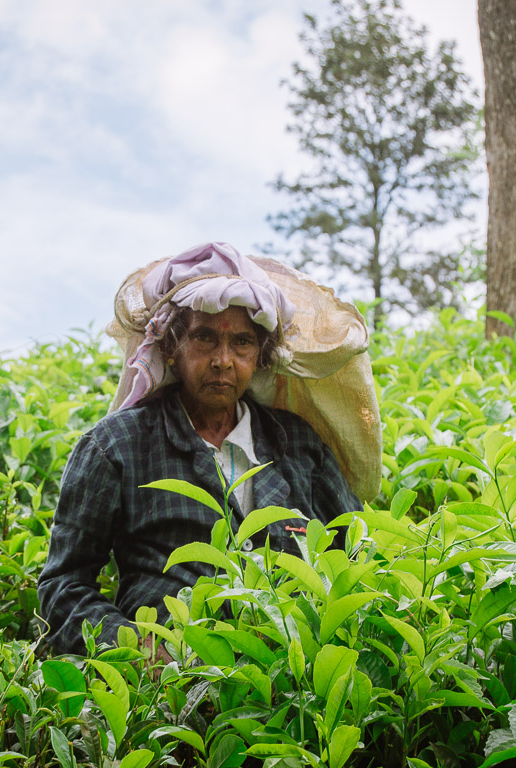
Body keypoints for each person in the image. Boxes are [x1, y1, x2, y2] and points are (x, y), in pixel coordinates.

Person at [36, 242, 362, 655]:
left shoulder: (297, 444)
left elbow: (358, 552)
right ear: (171, 347)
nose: (223, 360)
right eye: (204, 338)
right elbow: (63, 585)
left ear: (260, 356)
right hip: (172, 687)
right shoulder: (116, 447)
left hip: (293, 687)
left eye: (242, 343)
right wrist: (133, 645)